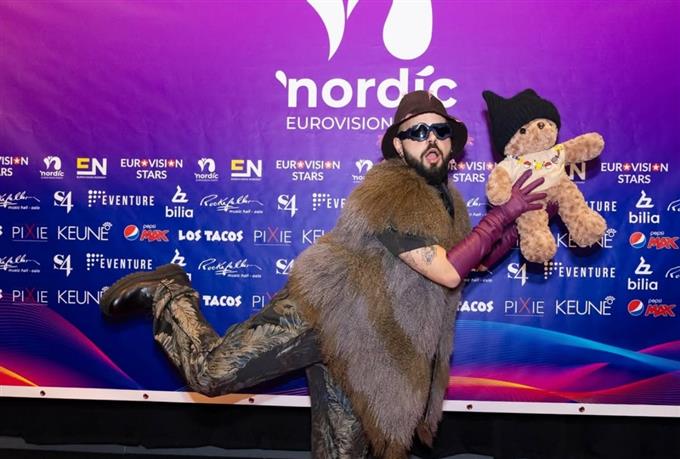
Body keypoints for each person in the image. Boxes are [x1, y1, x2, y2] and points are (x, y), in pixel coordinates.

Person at [100, 90, 545, 459]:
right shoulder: (388, 192)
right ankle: (169, 291)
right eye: (417, 132)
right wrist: (502, 215)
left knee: (342, 453)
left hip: (362, 347)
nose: (431, 139)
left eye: (440, 131)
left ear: (451, 142)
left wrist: (518, 227)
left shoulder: (450, 202)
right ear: (398, 146)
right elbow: (447, 272)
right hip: (322, 314)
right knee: (211, 373)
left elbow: (470, 262)